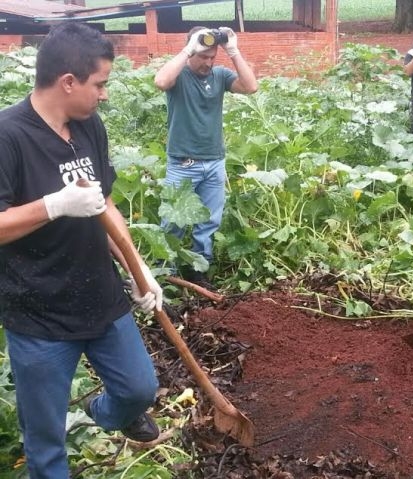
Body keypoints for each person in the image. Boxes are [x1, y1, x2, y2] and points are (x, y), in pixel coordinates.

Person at [0, 22, 164, 478]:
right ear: (68, 82)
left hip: (100, 294)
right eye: (101, 84)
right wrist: (53, 205)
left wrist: (137, 268)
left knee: (138, 389)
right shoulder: (8, 136)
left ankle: (104, 412)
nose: (105, 95)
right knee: (46, 439)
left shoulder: (89, 127)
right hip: (39, 313)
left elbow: (104, 203)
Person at [154, 26, 258, 285]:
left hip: (214, 161)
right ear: (191, 53)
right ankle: (165, 271)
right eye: (203, 56)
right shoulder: (179, 76)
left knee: (209, 222)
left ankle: (198, 270)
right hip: (182, 162)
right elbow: (160, 81)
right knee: (172, 221)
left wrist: (232, 50)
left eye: (212, 57)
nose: (208, 62)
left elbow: (250, 86)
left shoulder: (220, 76)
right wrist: (189, 48)